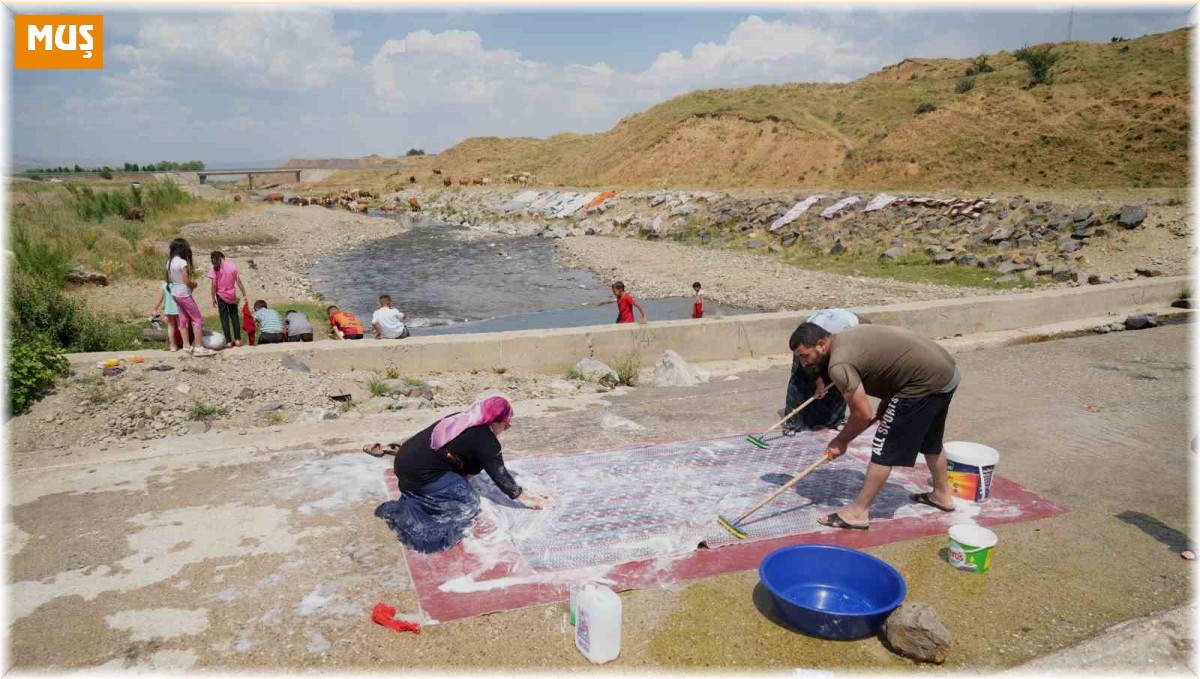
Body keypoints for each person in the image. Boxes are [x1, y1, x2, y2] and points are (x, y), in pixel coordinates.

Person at [789, 322, 961, 530]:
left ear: (821, 344)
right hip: (946, 373)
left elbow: (862, 414)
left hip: (922, 383)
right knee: (930, 439)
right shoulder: (846, 337)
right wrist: (888, 403)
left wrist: (841, 440)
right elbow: (892, 364)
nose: (804, 363)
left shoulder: (838, 364)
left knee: (883, 446)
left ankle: (858, 512)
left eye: (805, 356)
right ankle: (941, 495)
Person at [367, 396, 553, 553]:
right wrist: (528, 499)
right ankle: (422, 506)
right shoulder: (487, 443)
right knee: (468, 501)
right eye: (506, 424)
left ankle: (427, 491)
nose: (507, 428)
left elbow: (466, 459)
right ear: (496, 421)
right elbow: (501, 476)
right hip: (419, 476)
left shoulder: (462, 419)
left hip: (404, 463)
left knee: (461, 483)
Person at [783, 309, 867, 434]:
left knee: (839, 377)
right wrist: (818, 381)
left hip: (836, 347)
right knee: (801, 378)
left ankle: (835, 420)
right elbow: (806, 364)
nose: (803, 360)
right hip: (811, 344)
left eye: (804, 357)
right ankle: (793, 423)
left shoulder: (860, 329)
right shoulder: (806, 342)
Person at [165, 238, 214, 356]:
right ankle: (198, 347)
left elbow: (171, 279)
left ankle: (186, 346)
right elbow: (186, 280)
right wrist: (194, 284)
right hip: (184, 294)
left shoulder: (169, 262)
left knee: (183, 318)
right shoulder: (182, 262)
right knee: (197, 318)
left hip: (175, 293)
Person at [207, 251, 249, 348]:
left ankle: (229, 342)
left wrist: (213, 297)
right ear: (223, 257)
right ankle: (238, 340)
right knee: (234, 317)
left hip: (221, 295)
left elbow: (213, 285)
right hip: (231, 295)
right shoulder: (232, 266)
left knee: (224, 319)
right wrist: (244, 294)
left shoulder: (215, 269)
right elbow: (239, 281)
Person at [152, 280, 185, 351]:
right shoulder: (180, 284)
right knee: (182, 326)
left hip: (169, 309)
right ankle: (185, 344)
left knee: (171, 326)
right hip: (179, 308)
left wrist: (155, 309)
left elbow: (159, 300)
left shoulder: (164, 285)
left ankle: (172, 345)